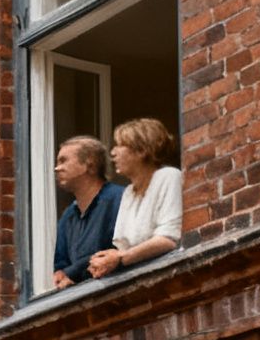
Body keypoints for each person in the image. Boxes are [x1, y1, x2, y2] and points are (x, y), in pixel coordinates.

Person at [88, 118, 182, 279]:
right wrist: (105, 260)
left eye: (120, 145)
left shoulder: (169, 177)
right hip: (138, 278)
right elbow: (123, 247)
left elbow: (169, 239)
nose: (113, 152)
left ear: (142, 150)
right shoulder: (129, 193)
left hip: (167, 276)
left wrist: (119, 258)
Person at [51, 135, 122, 289]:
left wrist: (72, 273)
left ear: (90, 164)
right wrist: (60, 274)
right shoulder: (68, 215)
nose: (57, 168)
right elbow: (61, 263)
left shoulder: (118, 199)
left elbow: (114, 249)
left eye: (63, 161)